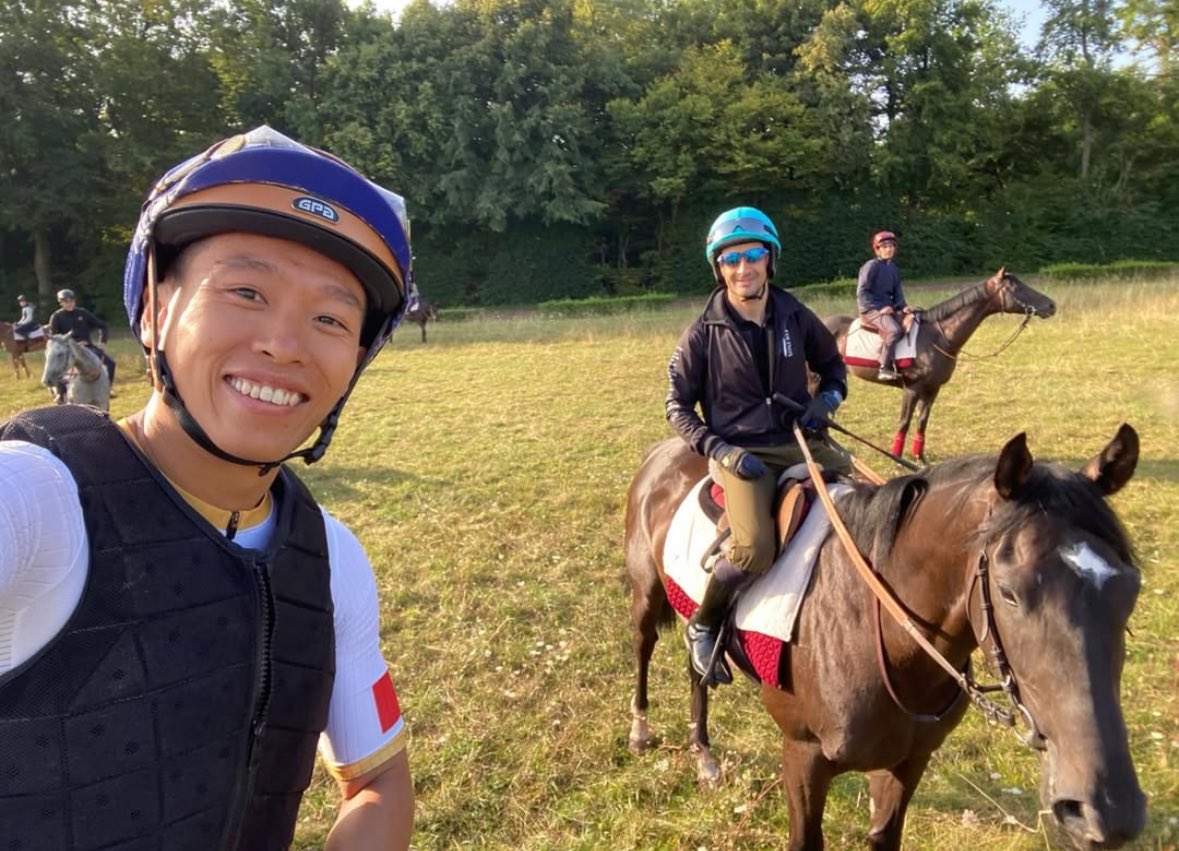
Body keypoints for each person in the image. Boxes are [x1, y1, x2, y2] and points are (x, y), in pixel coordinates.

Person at [0, 127, 414, 850]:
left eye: (329, 317)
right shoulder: (34, 500)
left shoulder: (331, 560)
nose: (284, 343)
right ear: (158, 311)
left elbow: (379, 783)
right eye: (246, 291)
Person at [666, 206, 851, 687]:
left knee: (871, 501)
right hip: (743, 455)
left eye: (752, 255)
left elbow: (834, 369)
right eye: (731, 259)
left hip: (800, 440)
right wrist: (718, 450)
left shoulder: (795, 314)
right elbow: (677, 407)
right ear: (719, 267)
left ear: (770, 259)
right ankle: (705, 625)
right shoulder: (702, 333)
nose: (743, 268)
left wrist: (825, 403)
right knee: (753, 548)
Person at [856, 230, 912, 381]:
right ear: (877, 249)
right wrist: (879, 308)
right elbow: (862, 292)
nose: (889, 249)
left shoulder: (893, 268)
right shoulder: (871, 266)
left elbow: (897, 293)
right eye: (885, 246)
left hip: (888, 308)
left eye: (891, 246)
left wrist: (903, 307)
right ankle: (884, 368)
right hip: (871, 310)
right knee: (894, 330)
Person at [48, 287, 119, 392]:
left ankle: (108, 389)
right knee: (58, 368)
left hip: (87, 347)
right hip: (68, 350)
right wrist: (73, 344)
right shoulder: (56, 316)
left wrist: (102, 342)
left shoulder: (82, 313)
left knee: (111, 363)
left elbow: (103, 326)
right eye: (66, 302)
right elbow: (55, 338)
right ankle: (60, 393)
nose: (69, 304)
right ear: (61, 303)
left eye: (71, 301)